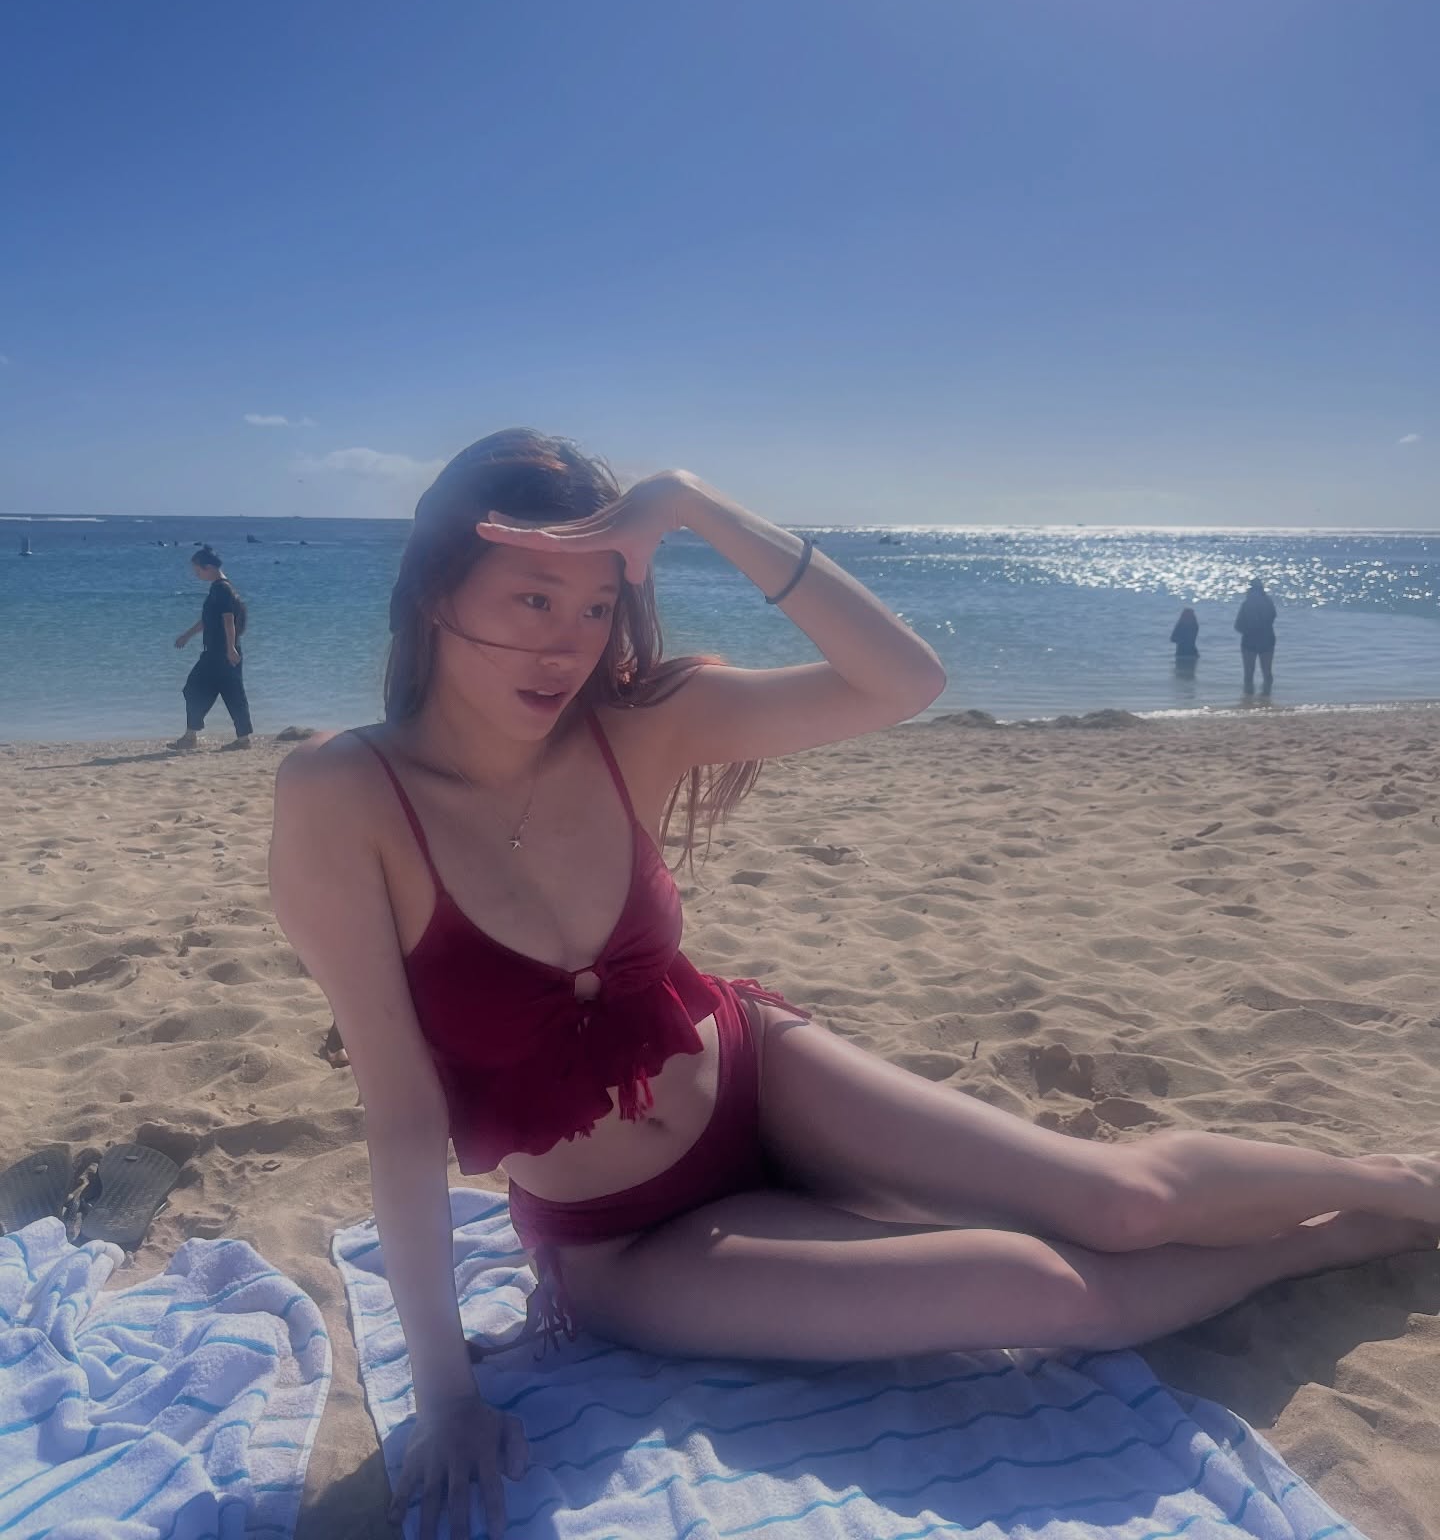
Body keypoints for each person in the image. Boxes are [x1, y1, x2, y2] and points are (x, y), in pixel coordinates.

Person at [268, 432, 1437, 1540]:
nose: (567, 645)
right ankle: (1328, 1241)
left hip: (758, 1076)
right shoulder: (346, 796)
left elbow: (901, 680)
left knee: (1122, 1203)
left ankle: (1402, 1181)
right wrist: (446, 1395)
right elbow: (402, 1112)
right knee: (1051, 1293)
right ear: (437, 591)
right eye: (533, 599)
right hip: (625, 1242)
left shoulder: (637, 726)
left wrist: (696, 506)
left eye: (596, 605)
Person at [170, 546, 253, 750]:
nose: (196, 574)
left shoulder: (221, 589)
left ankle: (191, 736)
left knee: (195, 689)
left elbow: (228, 619)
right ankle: (240, 739)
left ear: (209, 567)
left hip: (220, 653)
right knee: (228, 693)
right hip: (221, 652)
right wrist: (187, 635)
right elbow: (208, 620)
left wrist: (230, 649)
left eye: (197, 570)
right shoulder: (221, 588)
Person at [1234, 576, 1278, 695]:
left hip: (1250, 640)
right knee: (1267, 673)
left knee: (1249, 674)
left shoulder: (1246, 604)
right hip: (1266, 639)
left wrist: (1248, 630)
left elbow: (1237, 625)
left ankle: (1248, 698)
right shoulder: (1268, 602)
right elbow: (1273, 617)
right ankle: (1266, 696)